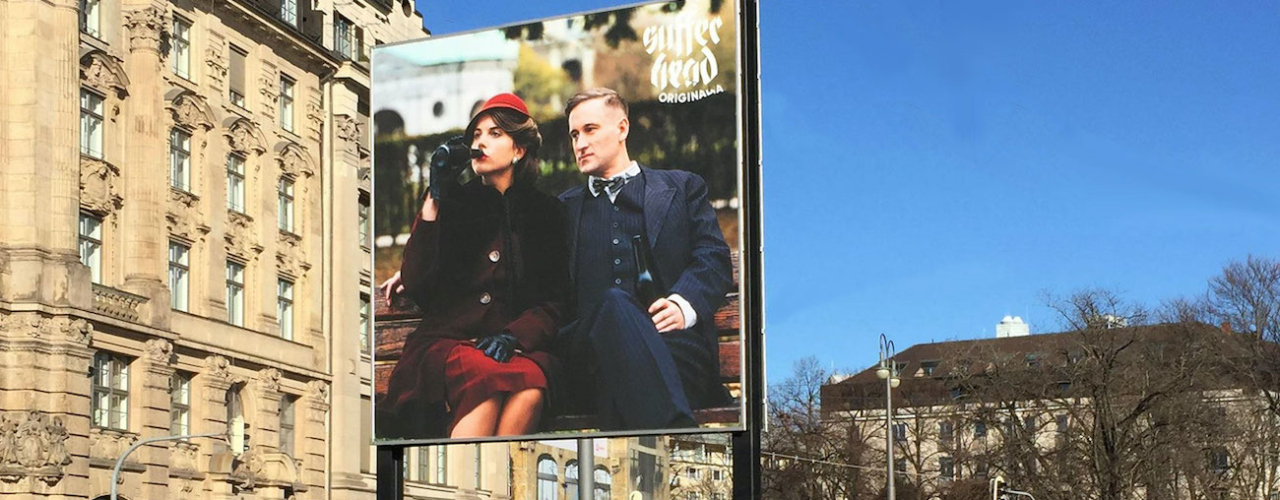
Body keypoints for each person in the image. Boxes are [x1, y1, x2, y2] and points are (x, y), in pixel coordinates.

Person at [376, 93, 570, 439]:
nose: (481, 142)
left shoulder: (545, 213)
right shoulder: (452, 202)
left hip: (513, 346)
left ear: (519, 150)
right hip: (448, 343)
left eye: (495, 134)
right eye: (476, 135)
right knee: (486, 383)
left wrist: (514, 335)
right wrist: (434, 197)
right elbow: (417, 282)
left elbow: (554, 299)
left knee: (532, 388)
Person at [556, 88, 734, 430]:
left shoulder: (682, 188)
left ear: (622, 128)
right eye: (574, 134)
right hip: (589, 357)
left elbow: (712, 256)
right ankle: (679, 429)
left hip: (675, 349)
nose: (579, 143)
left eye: (590, 130)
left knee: (618, 382)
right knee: (613, 305)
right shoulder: (562, 210)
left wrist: (683, 305)